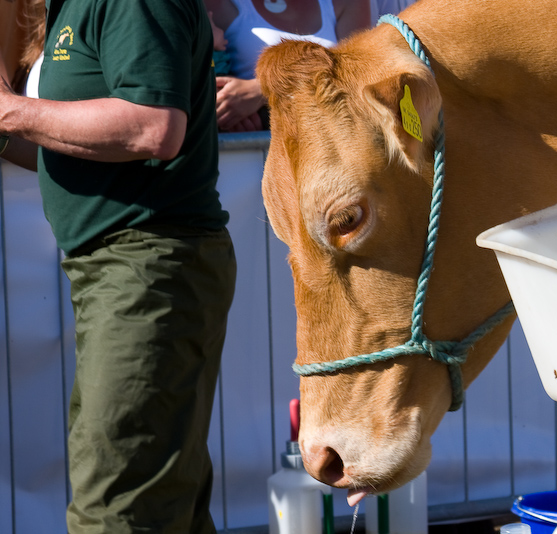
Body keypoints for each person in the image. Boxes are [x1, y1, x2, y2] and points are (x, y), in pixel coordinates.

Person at [0, 0, 237, 532]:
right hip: (131, 270)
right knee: (162, 510)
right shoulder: (69, 8)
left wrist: (9, 110)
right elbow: (70, 146)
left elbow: (154, 126)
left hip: (148, 264)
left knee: (118, 512)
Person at [204, 0, 371, 132]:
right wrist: (228, 106)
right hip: (249, 148)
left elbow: (357, 79)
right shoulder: (216, 4)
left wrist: (262, 90)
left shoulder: (348, 2)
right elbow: (203, 69)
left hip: (332, 144)